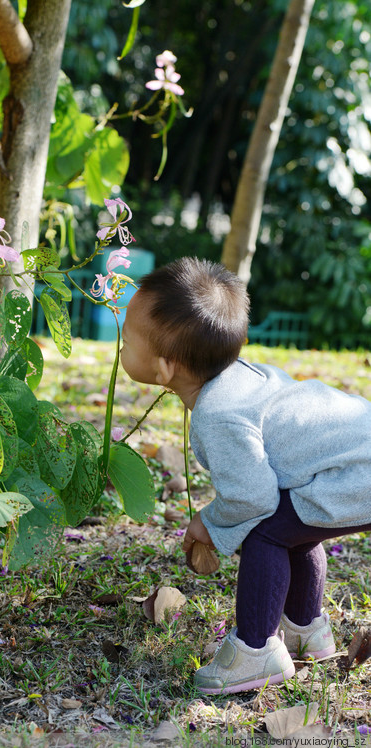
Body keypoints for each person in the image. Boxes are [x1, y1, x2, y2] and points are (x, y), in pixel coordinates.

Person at [120, 256, 371, 695]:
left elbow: (253, 499)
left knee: (265, 534)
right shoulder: (243, 378)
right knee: (295, 526)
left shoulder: (217, 414)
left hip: (356, 474)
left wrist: (209, 523)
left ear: (164, 369)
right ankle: (307, 630)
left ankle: (256, 652)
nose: (120, 350)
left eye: (125, 341)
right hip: (356, 460)